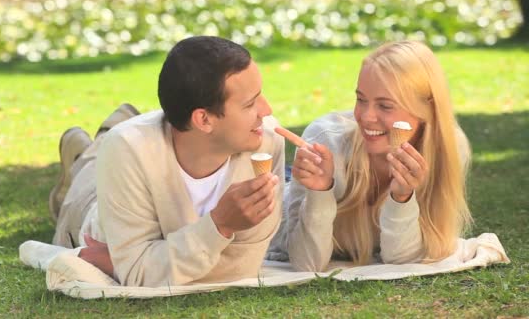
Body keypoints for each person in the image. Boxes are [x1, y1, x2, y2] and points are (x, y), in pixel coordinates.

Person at [50, 36, 285, 287]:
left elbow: (244, 267)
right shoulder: (128, 148)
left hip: (144, 152)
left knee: (120, 144)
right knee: (90, 171)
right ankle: (82, 155)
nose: (267, 110)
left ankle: (113, 128)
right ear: (204, 120)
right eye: (250, 103)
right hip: (93, 210)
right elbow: (138, 273)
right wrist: (220, 225)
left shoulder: (267, 143)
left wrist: (135, 264)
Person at [267, 40, 472, 271]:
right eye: (361, 100)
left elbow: (401, 261)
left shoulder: (449, 149)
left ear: (427, 109)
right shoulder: (326, 139)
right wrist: (320, 192)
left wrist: (402, 197)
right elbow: (308, 263)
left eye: (385, 106)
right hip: (277, 193)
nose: (366, 117)